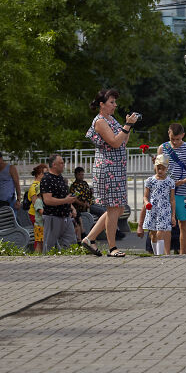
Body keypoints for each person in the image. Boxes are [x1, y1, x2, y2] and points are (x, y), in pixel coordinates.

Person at [81, 89, 139, 258]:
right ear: (102, 104)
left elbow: (123, 140)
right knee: (113, 208)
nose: (115, 105)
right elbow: (114, 142)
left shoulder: (111, 119)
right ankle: (112, 247)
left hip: (117, 169)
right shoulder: (100, 121)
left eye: (115, 102)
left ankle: (89, 238)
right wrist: (127, 125)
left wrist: (128, 125)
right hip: (108, 169)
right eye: (111, 102)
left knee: (118, 209)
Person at [161, 123, 186, 253]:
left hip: (184, 191)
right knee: (165, 222)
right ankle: (166, 252)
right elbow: (158, 170)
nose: (175, 142)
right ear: (168, 134)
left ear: (183, 135)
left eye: (178, 139)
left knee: (184, 222)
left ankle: (183, 251)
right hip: (166, 191)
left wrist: (183, 181)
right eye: (172, 139)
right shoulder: (163, 148)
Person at [41, 154, 78, 253]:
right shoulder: (47, 179)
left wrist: (71, 206)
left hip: (65, 216)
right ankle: (46, 262)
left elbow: (64, 196)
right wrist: (66, 200)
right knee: (49, 247)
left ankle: (70, 260)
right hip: (52, 216)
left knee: (72, 243)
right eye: (61, 163)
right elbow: (47, 200)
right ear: (54, 164)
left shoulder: (60, 178)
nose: (63, 165)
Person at [142, 154, 176, 255]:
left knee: (160, 232)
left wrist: (173, 216)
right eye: (158, 168)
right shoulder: (150, 180)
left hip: (164, 210)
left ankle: (159, 256)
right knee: (153, 234)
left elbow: (172, 200)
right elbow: (145, 196)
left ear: (167, 168)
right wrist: (147, 203)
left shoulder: (170, 182)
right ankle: (156, 253)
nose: (160, 171)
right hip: (153, 209)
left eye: (162, 168)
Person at [26, 164, 48, 252]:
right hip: (36, 215)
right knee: (39, 238)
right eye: (45, 173)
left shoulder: (40, 184)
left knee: (41, 237)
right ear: (39, 174)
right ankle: (37, 254)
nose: (47, 176)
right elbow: (36, 204)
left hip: (40, 215)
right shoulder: (34, 187)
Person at [70, 167, 94, 240]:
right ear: (76, 175)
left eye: (82, 174)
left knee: (104, 209)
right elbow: (74, 199)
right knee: (102, 211)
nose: (81, 176)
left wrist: (91, 193)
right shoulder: (75, 186)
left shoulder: (85, 183)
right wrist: (83, 204)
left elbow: (88, 195)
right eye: (79, 175)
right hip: (81, 207)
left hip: (89, 204)